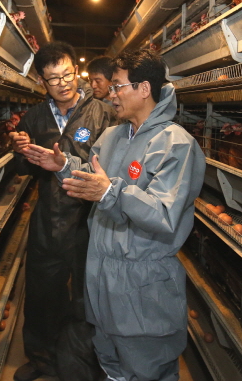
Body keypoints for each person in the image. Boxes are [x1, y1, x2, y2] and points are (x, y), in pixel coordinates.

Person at [23, 49, 206, 381]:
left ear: (144, 88)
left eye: (118, 86)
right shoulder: (113, 136)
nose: (111, 93)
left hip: (142, 284)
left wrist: (111, 193)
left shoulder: (176, 145)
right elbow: (92, 177)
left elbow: (165, 214)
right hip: (102, 276)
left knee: (146, 369)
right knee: (112, 367)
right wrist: (63, 165)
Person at [9, 41, 114, 381]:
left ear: (76, 71)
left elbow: (116, 163)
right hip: (49, 218)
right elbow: (23, 171)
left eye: (68, 74)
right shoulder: (35, 118)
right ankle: (42, 360)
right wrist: (19, 151)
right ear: (42, 81)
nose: (63, 83)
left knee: (88, 295)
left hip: (89, 219)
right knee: (42, 292)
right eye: (54, 79)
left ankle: (88, 363)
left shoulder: (102, 112)